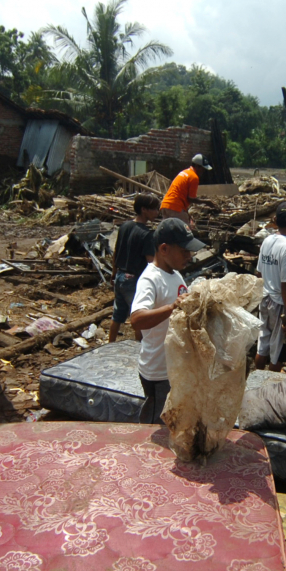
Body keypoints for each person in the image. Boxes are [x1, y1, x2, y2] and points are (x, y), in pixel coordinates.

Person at [129, 218, 206, 424]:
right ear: (164, 249)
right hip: (158, 372)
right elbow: (136, 320)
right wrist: (172, 307)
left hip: (174, 367)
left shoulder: (176, 275)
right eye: (184, 251)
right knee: (157, 423)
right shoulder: (150, 279)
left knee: (174, 421)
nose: (189, 256)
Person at [255, 201, 286, 372]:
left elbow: (259, 274)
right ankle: (270, 388)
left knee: (263, 343)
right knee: (279, 350)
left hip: (265, 298)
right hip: (280, 304)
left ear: (275, 219)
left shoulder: (267, 240)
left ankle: (256, 381)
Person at [109, 193, 161, 343]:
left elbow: (116, 252)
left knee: (117, 316)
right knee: (139, 318)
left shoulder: (124, 226)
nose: (157, 212)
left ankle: (109, 345)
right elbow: (150, 263)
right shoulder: (147, 234)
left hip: (120, 276)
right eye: (154, 209)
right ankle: (139, 350)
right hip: (134, 280)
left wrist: (113, 274)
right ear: (144, 209)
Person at [160, 154, 215, 227]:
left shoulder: (184, 172)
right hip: (175, 208)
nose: (203, 171)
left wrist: (186, 213)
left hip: (165, 205)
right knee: (185, 233)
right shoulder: (194, 177)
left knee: (168, 232)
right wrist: (207, 202)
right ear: (197, 166)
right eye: (202, 168)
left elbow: (180, 195)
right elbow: (191, 198)